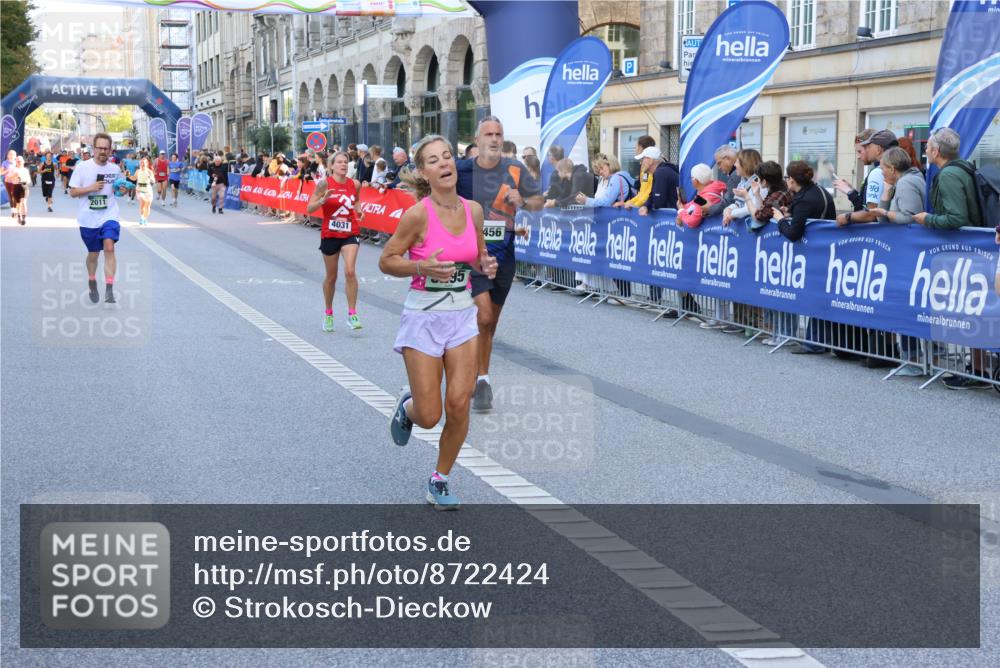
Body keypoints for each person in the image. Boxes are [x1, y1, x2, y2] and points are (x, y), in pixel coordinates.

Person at [378, 134, 498, 510]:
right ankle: (409, 406)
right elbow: (387, 260)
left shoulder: (474, 210)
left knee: (459, 404)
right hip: (423, 316)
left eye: (447, 156)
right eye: (434, 160)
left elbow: (478, 255)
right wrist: (419, 265)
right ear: (424, 173)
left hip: (461, 315)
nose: (444, 163)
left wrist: (486, 264)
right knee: (430, 416)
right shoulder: (417, 215)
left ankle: (439, 479)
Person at [456, 116, 543, 411]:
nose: (494, 139)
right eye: (488, 134)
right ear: (477, 139)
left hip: (505, 255)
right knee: (482, 316)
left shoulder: (515, 170)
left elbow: (538, 201)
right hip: (472, 256)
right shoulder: (461, 170)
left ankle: (480, 376)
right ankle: (480, 379)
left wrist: (525, 201)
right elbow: (440, 201)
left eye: (499, 134)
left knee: (490, 321)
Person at [777, 161, 837, 354]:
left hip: (817, 252)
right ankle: (817, 340)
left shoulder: (805, 198)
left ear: (792, 180)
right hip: (825, 248)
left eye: (787, 178)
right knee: (820, 295)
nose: (786, 181)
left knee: (818, 295)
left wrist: (780, 220)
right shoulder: (816, 190)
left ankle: (815, 342)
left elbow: (794, 233)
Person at [306, 151, 366, 332]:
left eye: (345, 162)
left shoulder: (354, 184)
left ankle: (352, 313)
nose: (343, 165)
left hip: (350, 231)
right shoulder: (324, 184)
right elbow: (309, 208)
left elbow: (356, 202)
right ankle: (329, 313)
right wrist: (322, 200)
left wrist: (359, 211)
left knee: (350, 271)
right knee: (331, 278)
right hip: (330, 233)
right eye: (339, 162)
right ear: (331, 166)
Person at [69, 133, 123, 304]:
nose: (103, 151)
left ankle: (109, 289)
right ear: (93, 149)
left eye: (106, 148)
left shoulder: (115, 169)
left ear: (110, 150)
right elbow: (73, 192)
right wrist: (91, 188)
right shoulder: (83, 167)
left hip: (109, 215)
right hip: (88, 219)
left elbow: (119, 189)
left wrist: (123, 190)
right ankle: (92, 280)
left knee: (109, 247)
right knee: (93, 254)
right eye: (99, 148)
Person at [913, 127, 983, 230]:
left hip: (960, 241)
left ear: (935, 152)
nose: (926, 150)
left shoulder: (948, 175)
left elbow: (956, 218)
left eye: (927, 147)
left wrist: (927, 219)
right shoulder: (962, 167)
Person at [834, 129, 896, 226]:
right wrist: (851, 191)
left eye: (861, 150)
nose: (858, 156)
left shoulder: (878, 172)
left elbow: (871, 214)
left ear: (877, 149)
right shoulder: (890, 169)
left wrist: (847, 217)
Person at [870, 147, 925, 225]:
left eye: (882, 168)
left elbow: (910, 218)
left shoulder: (905, 183)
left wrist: (885, 213)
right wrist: (886, 190)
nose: (882, 173)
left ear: (892, 169)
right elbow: (882, 220)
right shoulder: (911, 178)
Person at [676, 163, 727, 228]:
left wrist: (681, 211)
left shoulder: (702, 198)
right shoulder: (716, 188)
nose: (691, 180)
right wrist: (682, 210)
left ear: (695, 181)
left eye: (691, 178)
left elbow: (692, 222)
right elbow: (693, 206)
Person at [722, 149, 763, 227]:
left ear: (745, 163)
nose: (734, 165)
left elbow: (752, 209)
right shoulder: (743, 183)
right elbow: (739, 204)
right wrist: (728, 209)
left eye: (737, 162)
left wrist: (732, 213)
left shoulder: (760, 183)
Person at [618, 136, 657, 209]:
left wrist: (634, 205)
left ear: (641, 148)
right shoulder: (644, 167)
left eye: (636, 146)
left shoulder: (648, 168)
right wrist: (627, 203)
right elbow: (642, 193)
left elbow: (646, 195)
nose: (635, 149)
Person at [703, 145, 740, 217]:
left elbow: (729, 202)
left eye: (719, 163)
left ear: (728, 158)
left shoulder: (736, 175)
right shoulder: (736, 173)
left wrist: (709, 209)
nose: (719, 168)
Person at [5, 156, 30, 225]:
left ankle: (24, 219)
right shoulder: (13, 170)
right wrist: (14, 176)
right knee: (18, 204)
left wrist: (24, 181)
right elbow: (7, 178)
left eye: (20, 161)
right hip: (16, 187)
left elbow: (29, 180)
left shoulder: (25, 170)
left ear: (23, 162)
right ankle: (19, 216)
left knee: (24, 202)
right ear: (16, 162)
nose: (19, 162)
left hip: (24, 187)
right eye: (18, 161)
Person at [135, 156, 155, 225]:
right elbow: (134, 178)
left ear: (147, 163)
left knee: (147, 206)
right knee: (142, 203)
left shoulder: (150, 171)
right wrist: (128, 176)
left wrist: (150, 177)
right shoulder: (138, 171)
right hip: (140, 189)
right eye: (141, 162)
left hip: (148, 189)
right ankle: (141, 217)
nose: (142, 164)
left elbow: (153, 181)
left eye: (144, 162)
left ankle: (145, 218)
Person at [2, 149, 20, 221]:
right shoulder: (4, 163)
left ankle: (15, 210)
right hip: (7, 181)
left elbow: (21, 170)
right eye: (10, 154)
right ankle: (13, 211)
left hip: (16, 181)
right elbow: (1, 173)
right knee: (11, 196)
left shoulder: (17, 162)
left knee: (15, 195)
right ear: (8, 155)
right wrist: (7, 170)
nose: (11, 155)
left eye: (13, 154)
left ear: (15, 156)